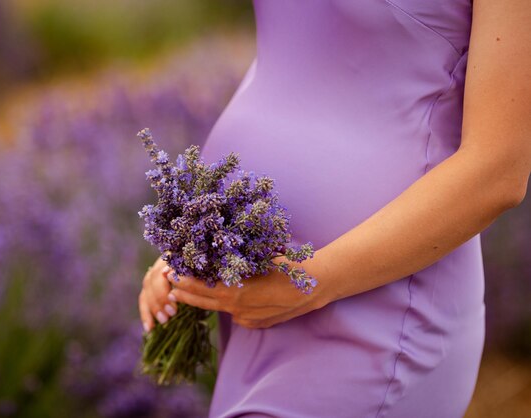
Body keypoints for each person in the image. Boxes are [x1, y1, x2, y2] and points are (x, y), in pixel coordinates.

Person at [138, 1, 531, 416]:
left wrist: (308, 283)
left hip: (379, 306)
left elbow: (499, 170)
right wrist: (197, 236)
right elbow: (300, 53)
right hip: (260, 292)